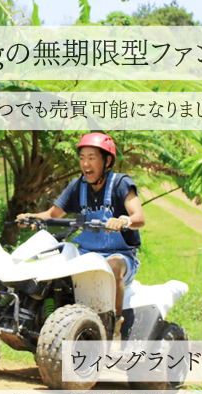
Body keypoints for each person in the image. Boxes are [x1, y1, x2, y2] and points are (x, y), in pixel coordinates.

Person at [16, 132, 145, 335]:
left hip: (119, 255)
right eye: (82, 158)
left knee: (111, 267)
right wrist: (33, 217)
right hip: (85, 254)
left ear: (107, 161)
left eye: (92, 158)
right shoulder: (77, 186)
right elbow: (52, 214)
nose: (86, 164)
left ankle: (114, 324)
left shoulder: (121, 184)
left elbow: (139, 217)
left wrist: (124, 221)